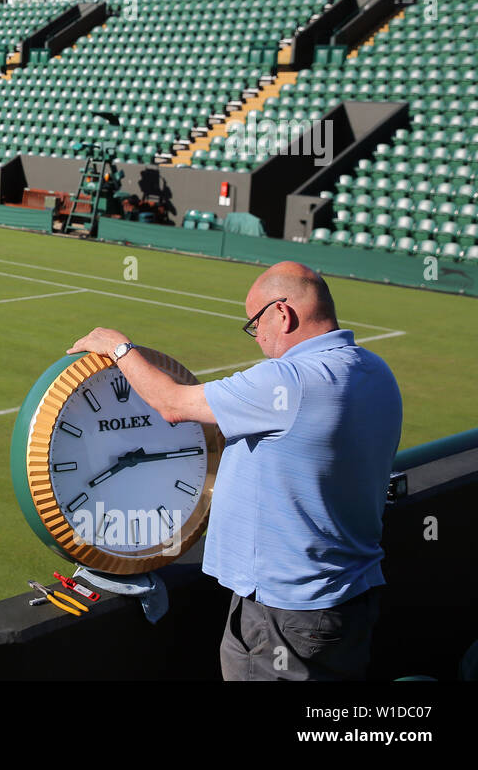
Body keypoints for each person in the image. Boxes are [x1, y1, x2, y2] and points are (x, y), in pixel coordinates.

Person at [67, 261, 402, 680]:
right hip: (350, 598)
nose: (257, 335)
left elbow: (172, 403)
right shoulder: (377, 371)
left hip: (287, 613)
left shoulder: (287, 380)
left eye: (255, 322)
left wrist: (119, 348)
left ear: (283, 313)